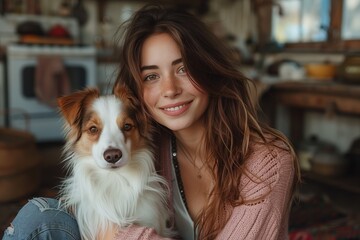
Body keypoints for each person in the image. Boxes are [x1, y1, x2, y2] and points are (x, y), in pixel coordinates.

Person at [2, 4, 300, 240]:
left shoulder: (268, 161)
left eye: (183, 69)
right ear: (138, 91)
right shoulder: (149, 144)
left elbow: (112, 232)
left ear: (209, 69)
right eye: (151, 76)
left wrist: (116, 236)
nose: (169, 90)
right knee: (38, 216)